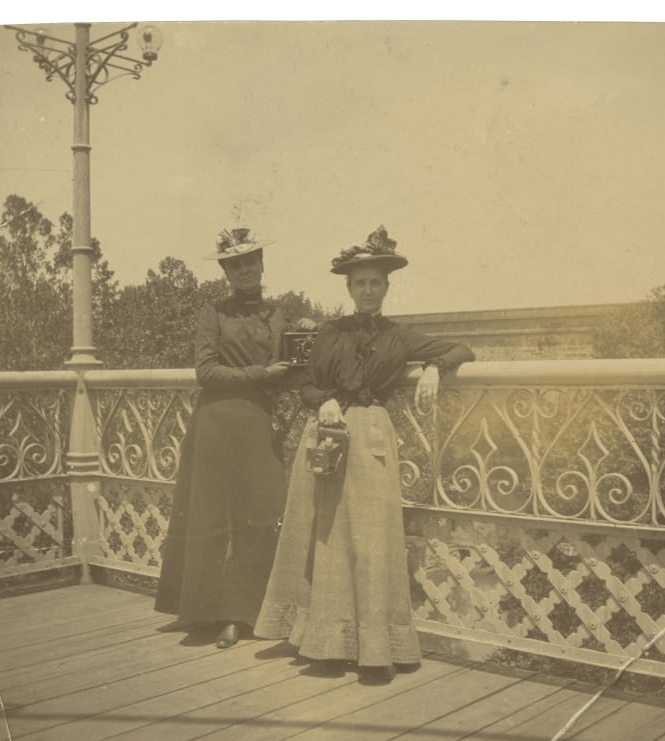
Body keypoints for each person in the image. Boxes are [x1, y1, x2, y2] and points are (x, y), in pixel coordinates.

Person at [254, 226, 475, 683]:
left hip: (372, 434)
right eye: (361, 283)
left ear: (386, 288)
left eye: (376, 282)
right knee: (327, 538)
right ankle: (327, 646)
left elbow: (462, 348)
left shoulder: (400, 336)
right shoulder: (330, 332)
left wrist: (434, 367)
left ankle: (377, 650)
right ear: (350, 289)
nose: (368, 290)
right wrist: (323, 400)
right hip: (328, 435)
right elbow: (306, 384)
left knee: (373, 541)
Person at [155, 227, 314, 649]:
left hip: (258, 423)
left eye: (250, 262)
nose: (245, 270)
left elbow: (292, 373)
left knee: (258, 515)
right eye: (236, 264)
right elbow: (205, 371)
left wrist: (307, 335)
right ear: (226, 272)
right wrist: (261, 373)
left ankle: (244, 613)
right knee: (209, 514)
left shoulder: (279, 316)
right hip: (215, 423)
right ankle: (203, 611)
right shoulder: (213, 313)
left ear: (262, 264)